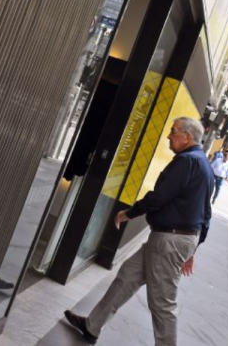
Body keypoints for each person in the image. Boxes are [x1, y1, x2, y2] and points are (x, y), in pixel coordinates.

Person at [63, 117, 213, 345]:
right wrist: (193, 248)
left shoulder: (186, 162)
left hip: (169, 241)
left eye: (173, 131)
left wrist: (129, 213)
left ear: (187, 137)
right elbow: (206, 214)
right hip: (173, 239)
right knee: (127, 276)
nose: (169, 136)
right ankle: (92, 326)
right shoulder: (204, 165)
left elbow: (160, 197)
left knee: (162, 303)